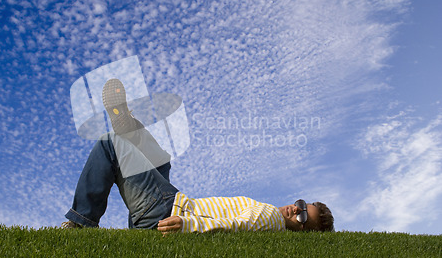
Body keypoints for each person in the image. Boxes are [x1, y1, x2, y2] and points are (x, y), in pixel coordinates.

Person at [62, 79, 334, 233]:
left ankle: (80, 224)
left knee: (111, 144)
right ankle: (129, 125)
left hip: (167, 211)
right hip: (163, 211)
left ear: (303, 232)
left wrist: (187, 225)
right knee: (162, 160)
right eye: (301, 204)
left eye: (301, 217)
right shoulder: (272, 219)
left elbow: (234, 225)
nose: (294, 210)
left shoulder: (270, 218)